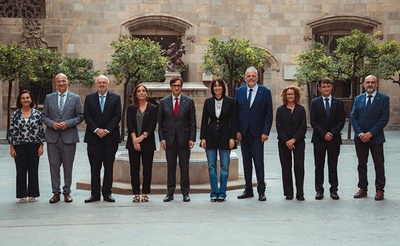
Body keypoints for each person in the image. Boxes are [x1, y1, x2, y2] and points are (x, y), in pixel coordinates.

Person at [42, 73, 84, 203]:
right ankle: (56, 193)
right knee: (53, 167)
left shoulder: (75, 98)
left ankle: (67, 192)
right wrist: (51, 123)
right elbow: (44, 116)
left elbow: (80, 116)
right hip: (52, 138)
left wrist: (68, 123)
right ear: (55, 83)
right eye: (59, 81)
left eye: (63, 81)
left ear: (68, 82)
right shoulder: (49, 98)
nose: (61, 83)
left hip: (69, 137)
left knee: (68, 166)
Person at [235, 66, 273, 201]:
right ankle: (248, 189)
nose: (251, 78)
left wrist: (265, 132)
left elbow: (269, 114)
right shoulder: (239, 91)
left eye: (253, 76)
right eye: (248, 76)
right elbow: (236, 113)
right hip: (244, 133)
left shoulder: (265, 91)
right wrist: (237, 131)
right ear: (245, 78)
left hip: (258, 134)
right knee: (246, 162)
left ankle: (261, 190)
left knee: (258, 162)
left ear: (257, 78)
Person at [350, 75, 390, 201]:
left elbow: (384, 119)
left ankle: (379, 190)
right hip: (360, 138)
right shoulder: (358, 99)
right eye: (368, 82)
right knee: (361, 164)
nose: (370, 85)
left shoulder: (384, 99)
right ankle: (363, 188)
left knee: (378, 164)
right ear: (363, 84)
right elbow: (353, 117)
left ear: (377, 84)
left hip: (376, 138)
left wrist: (370, 133)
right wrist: (360, 133)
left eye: (372, 82)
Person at [83, 75, 121, 203]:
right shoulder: (89, 98)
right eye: (99, 83)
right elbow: (87, 116)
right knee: (95, 168)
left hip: (110, 139)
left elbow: (117, 116)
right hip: (93, 139)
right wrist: (96, 130)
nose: (101, 85)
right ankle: (94, 194)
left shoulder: (116, 98)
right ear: (96, 84)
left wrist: (106, 130)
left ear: (107, 84)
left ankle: (107, 193)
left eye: (104, 82)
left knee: (108, 167)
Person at [158, 76, 196, 202]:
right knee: (171, 167)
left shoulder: (189, 101)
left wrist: (192, 138)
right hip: (169, 140)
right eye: (174, 85)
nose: (176, 87)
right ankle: (170, 192)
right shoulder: (164, 102)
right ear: (170, 87)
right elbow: (160, 124)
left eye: (178, 85)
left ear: (181, 87)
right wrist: (162, 139)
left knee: (184, 167)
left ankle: (185, 192)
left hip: (184, 140)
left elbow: (193, 122)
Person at [200, 78, 236, 202]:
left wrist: (233, 138)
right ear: (212, 88)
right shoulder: (208, 102)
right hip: (210, 136)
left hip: (225, 136)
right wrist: (202, 138)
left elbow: (233, 121)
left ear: (223, 87)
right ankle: (214, 192)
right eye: (215, 86)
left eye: (219, 85)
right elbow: (204, 121)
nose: (217, 88)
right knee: (211, 166)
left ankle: (222, 192)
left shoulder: (230, 102)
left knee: (225, 166)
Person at [310, 78, 345, 200]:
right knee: (319, 166)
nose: (326, 89)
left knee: (333, 165)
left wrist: (332, 133)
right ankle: (319, 190)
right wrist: (324, 133)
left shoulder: (338, 103)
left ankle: (334, 190)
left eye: (328, 86)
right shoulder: (314, 102)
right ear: (319, 88)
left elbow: (341, 121)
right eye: (323, 86)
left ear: (331, 87)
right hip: (319, 139)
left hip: (334, 139)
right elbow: (313, 121)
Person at [8, 90, 45, 203]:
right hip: (19, 145)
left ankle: (33, 194)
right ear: (20, 100)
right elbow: (12, 131)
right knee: (20, 170)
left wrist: (41, 146)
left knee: (33, 170)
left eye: (27, 97)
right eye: (23, 98)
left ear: (31, 99)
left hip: (34, 145)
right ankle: (22, 194)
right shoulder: (15, 114)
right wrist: (12, 148)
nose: (25, 100)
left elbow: (41, 131)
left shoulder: (37, 114)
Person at [126, 84, 158, 203]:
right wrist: (135, 140)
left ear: (146, 93)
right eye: (139, 91)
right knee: (134, 169)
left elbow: (152, 125)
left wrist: (141, 138)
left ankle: (145, 193)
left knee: (147, 169)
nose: (141, 93)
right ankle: (135, 194)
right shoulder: (131, 108)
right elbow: (129, 124)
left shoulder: (153, 108)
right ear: (135, 94)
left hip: (147, 143)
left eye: (143, 91)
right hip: (133, 142)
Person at [276, 86, 307, 201]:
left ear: (296, 96)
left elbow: (303, 126)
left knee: (299, 167)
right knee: (286, 167)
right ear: (285, 96)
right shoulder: (280, 110)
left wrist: (294, 139)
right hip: (284, 143)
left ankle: (300, 193)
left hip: (298, 142)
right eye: (288, 94)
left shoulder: (301, 109)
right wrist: (286, 141)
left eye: (292, 94)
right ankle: (288, 193)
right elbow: (279, 126)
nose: (290, 96)